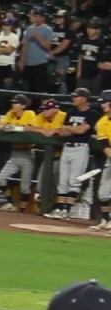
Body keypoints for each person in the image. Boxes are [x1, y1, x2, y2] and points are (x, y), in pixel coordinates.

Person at [44, 87, 101, 220]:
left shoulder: (92, 114)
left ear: (84, 99)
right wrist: (73, 129)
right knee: (62, 181)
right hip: (67, 147)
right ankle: (59, 208)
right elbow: (65, 132)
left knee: (74, 181)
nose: (74, 98)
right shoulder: (71, 112)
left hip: (81, 148)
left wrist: (70, 128)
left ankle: (66, 210)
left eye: (76, 96)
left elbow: (82, 131)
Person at [0, 94, 40, 213]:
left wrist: (14, 128)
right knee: (0, 179)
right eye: (13, 103)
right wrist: (5, 127)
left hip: (27, 154)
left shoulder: (29, 113)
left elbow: (31, 128)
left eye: (16, 103)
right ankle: (10, 202)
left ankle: (22, 211)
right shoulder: (11, 113)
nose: (13, 105)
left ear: (23, 105)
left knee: (25, 187)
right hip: (14, 154)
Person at [19, 7, 54, 94]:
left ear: (43, 18)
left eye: (38, 16)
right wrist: (22, 60)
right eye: (34, 16)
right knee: (28, 90)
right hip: (28, 63)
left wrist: (38, 38)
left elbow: (48, 46)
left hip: (41, 63)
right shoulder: (29, 29)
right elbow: (25, 45)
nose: (36, 18)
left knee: (41, 89)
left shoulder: (48, 30)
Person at [92, 91, 111, 230]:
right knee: (103, 193)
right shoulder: (101, 122)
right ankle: (105, 220)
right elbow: (105, 144)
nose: (102, 105)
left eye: (105, 102)